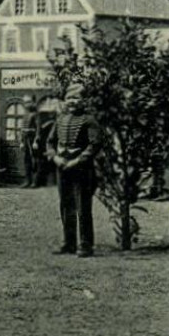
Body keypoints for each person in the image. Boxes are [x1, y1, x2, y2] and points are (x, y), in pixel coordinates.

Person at [51, 85, 101, 257]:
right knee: (65, 205)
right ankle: (69, 242)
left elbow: (94, 144)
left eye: (76, 98)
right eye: (69, 98)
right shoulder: (60, 119)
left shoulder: (89, 120)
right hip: (62, 167)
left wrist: (77, 161)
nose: (72, 102)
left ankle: (86, 244)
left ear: (84, 101)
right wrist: (55, 157)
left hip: (82, 169)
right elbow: (49, 143)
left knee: (83, 207)